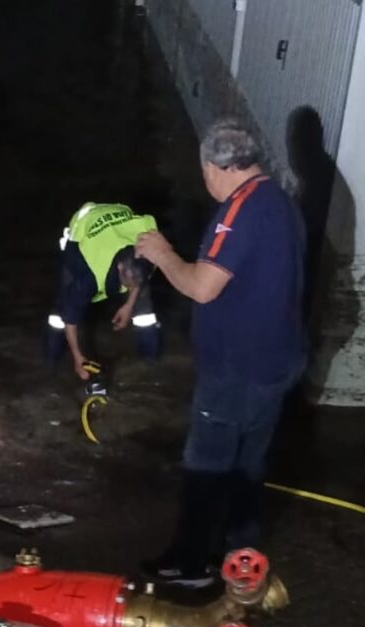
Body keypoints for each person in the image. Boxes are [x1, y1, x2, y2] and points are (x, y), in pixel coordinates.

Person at [136, 118, 306, 587]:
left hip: (238, 370)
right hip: (279, 362)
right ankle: (241, 558)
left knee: (206, 463)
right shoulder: (282, 202)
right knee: (249, 464)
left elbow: (203, 287)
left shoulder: (238, 211)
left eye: (204, 170)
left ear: (216, 166)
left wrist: (162, 254)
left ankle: (190, 564)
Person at [47, 202, 160, 380]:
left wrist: (128, 306)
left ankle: (149, 361)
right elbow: (71, 319)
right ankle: (51, 359)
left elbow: (139, 278)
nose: (131, 287)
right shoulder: (87, 273)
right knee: (62, 310)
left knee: (144, 307)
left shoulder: (148, 245)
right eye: (128, 283)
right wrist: (78, 359)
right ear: (120, 267)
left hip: (118, 219)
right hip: (84, 226)